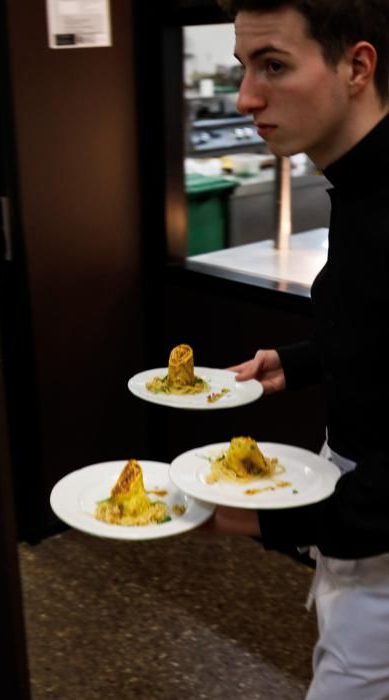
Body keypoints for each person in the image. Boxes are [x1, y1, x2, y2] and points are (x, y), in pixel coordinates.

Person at [209, 1, 389, 698]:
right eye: (243, 67)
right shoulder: (355, 183)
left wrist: (258, 517)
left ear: (356, 66)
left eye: (273, 66)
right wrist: (304, 359)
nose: (246, 96)